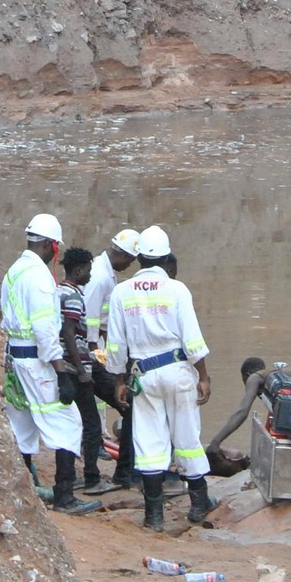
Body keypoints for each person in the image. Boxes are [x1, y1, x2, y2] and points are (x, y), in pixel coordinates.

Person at [102, 225, 211, 532]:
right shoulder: (177, 290)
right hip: (177, 372)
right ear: (166, 258)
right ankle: (198, 505)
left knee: (149, 441)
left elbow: (116, 345)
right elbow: (192, 340)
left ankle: (154, 516)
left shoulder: (122, 292)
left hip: (143, 375)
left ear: (139, 258)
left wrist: (120, 380)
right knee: (187, 438)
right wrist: (203, 376)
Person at [0, 214, 101, 516]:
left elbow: (7, 318)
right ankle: (65, 495)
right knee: (68, 424)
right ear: (49, 245)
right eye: (54, 246)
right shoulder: (40, 277)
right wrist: (60, 370)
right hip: (36, 362)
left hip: (16, 359)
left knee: (23, 427)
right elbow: (44, 329)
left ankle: (23, 490)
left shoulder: (14, 271)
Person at [80, 228, 140, 493]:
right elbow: (89, 317)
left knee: (97, 415)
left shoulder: (106, 273)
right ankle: (123, 472)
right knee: (127, 407)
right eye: (130, 259)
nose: (130, 265)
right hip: (91, 352)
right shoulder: (101, 277)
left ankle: (106, 469)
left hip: (95, 348)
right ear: (122, 254)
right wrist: (97, 354)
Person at [56, 247, 110, 494]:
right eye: (88, 271)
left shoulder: (58, 292)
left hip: (63, 366)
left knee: (69, 422)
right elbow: (69, 333)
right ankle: (90, 476)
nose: (90, 276)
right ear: (78, 270)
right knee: (91, 424)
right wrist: (83, 370)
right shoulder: (75, 297)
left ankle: (68, 477)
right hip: (75, 368)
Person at [204, 356, 270, 458]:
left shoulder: (254, 378)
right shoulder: (270, 376)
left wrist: (216, 442)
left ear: (247, 376)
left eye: (244, 381)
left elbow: (242, 412)